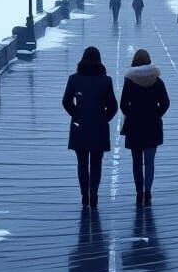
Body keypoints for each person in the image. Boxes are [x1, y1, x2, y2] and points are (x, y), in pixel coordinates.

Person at [62, 46, 118, 209]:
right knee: (96, 163)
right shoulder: (105, 80)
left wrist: (76, 115)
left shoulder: (74, 79)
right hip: (98, 127)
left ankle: (84, 194)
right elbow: (113, 106)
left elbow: (66, 102)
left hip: (79, 127)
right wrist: (103, 118)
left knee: (81, 163)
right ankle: (94, 194)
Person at [120, 49, 170, 205]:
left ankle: (138, 191)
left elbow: (122, 104)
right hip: (152, 126)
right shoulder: (157, 80)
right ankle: (148, 191)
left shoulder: (130, 80)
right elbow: (166, 103)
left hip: (134, 127)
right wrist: (156, 114)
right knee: (149, 161)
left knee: (136, 161)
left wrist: (132, 114)